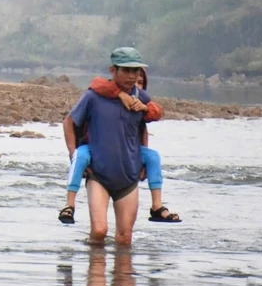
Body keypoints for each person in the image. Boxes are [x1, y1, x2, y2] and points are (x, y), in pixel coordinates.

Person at [60, 67, 180, 224]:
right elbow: (97, 83)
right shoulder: (99, 93)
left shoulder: (141, 99)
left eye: (140, 82)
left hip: (127, 166)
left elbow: (148, 122)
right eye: (128, 75)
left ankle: (157, 205)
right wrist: (119, 93)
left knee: (153, 156)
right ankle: (69, 204)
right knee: (80, 156)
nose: (134, 83)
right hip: (96, 151)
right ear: (113, 72)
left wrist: (144, 108)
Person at [62, 47, 154, 247]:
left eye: (136, 71)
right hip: (99, 175)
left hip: (129, 176)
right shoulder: (94, 97)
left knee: (124, 238)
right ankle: (95, 272)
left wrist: (144, 160)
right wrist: (73, 154)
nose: (132, 76)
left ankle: (123, 276)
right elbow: (69, 122)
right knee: (99, 230)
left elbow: (142, 129)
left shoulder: (142, 99)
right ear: (113, 70)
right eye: (126, 71)